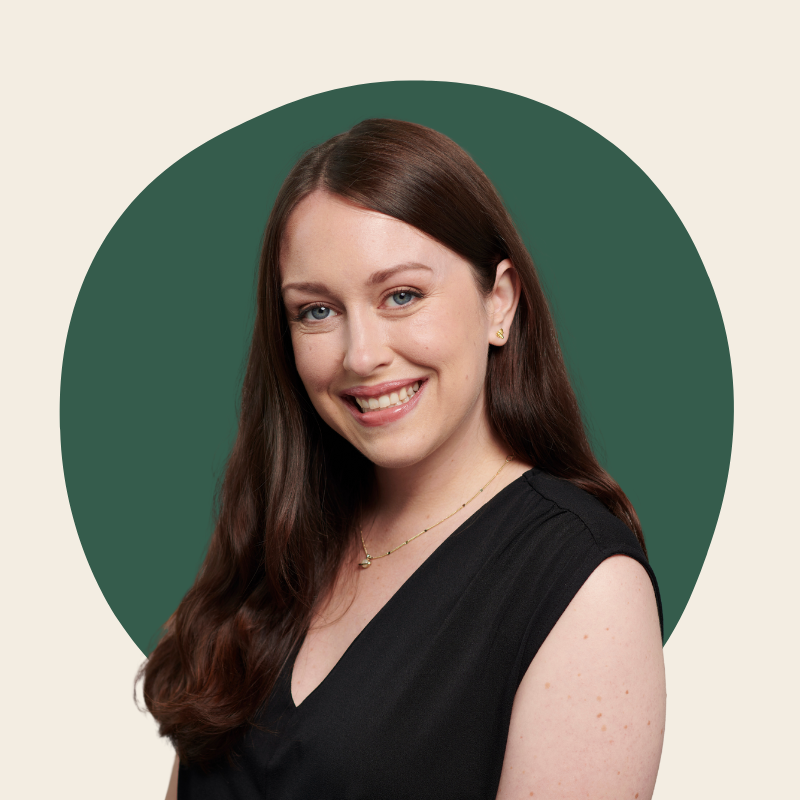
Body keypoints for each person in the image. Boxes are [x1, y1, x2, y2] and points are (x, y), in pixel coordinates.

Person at [141, 118, 666, 800]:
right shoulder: (275, 544)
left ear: (499, 301)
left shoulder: (583, 580)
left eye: (402, 296)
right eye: (317, 311)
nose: (361, 355)